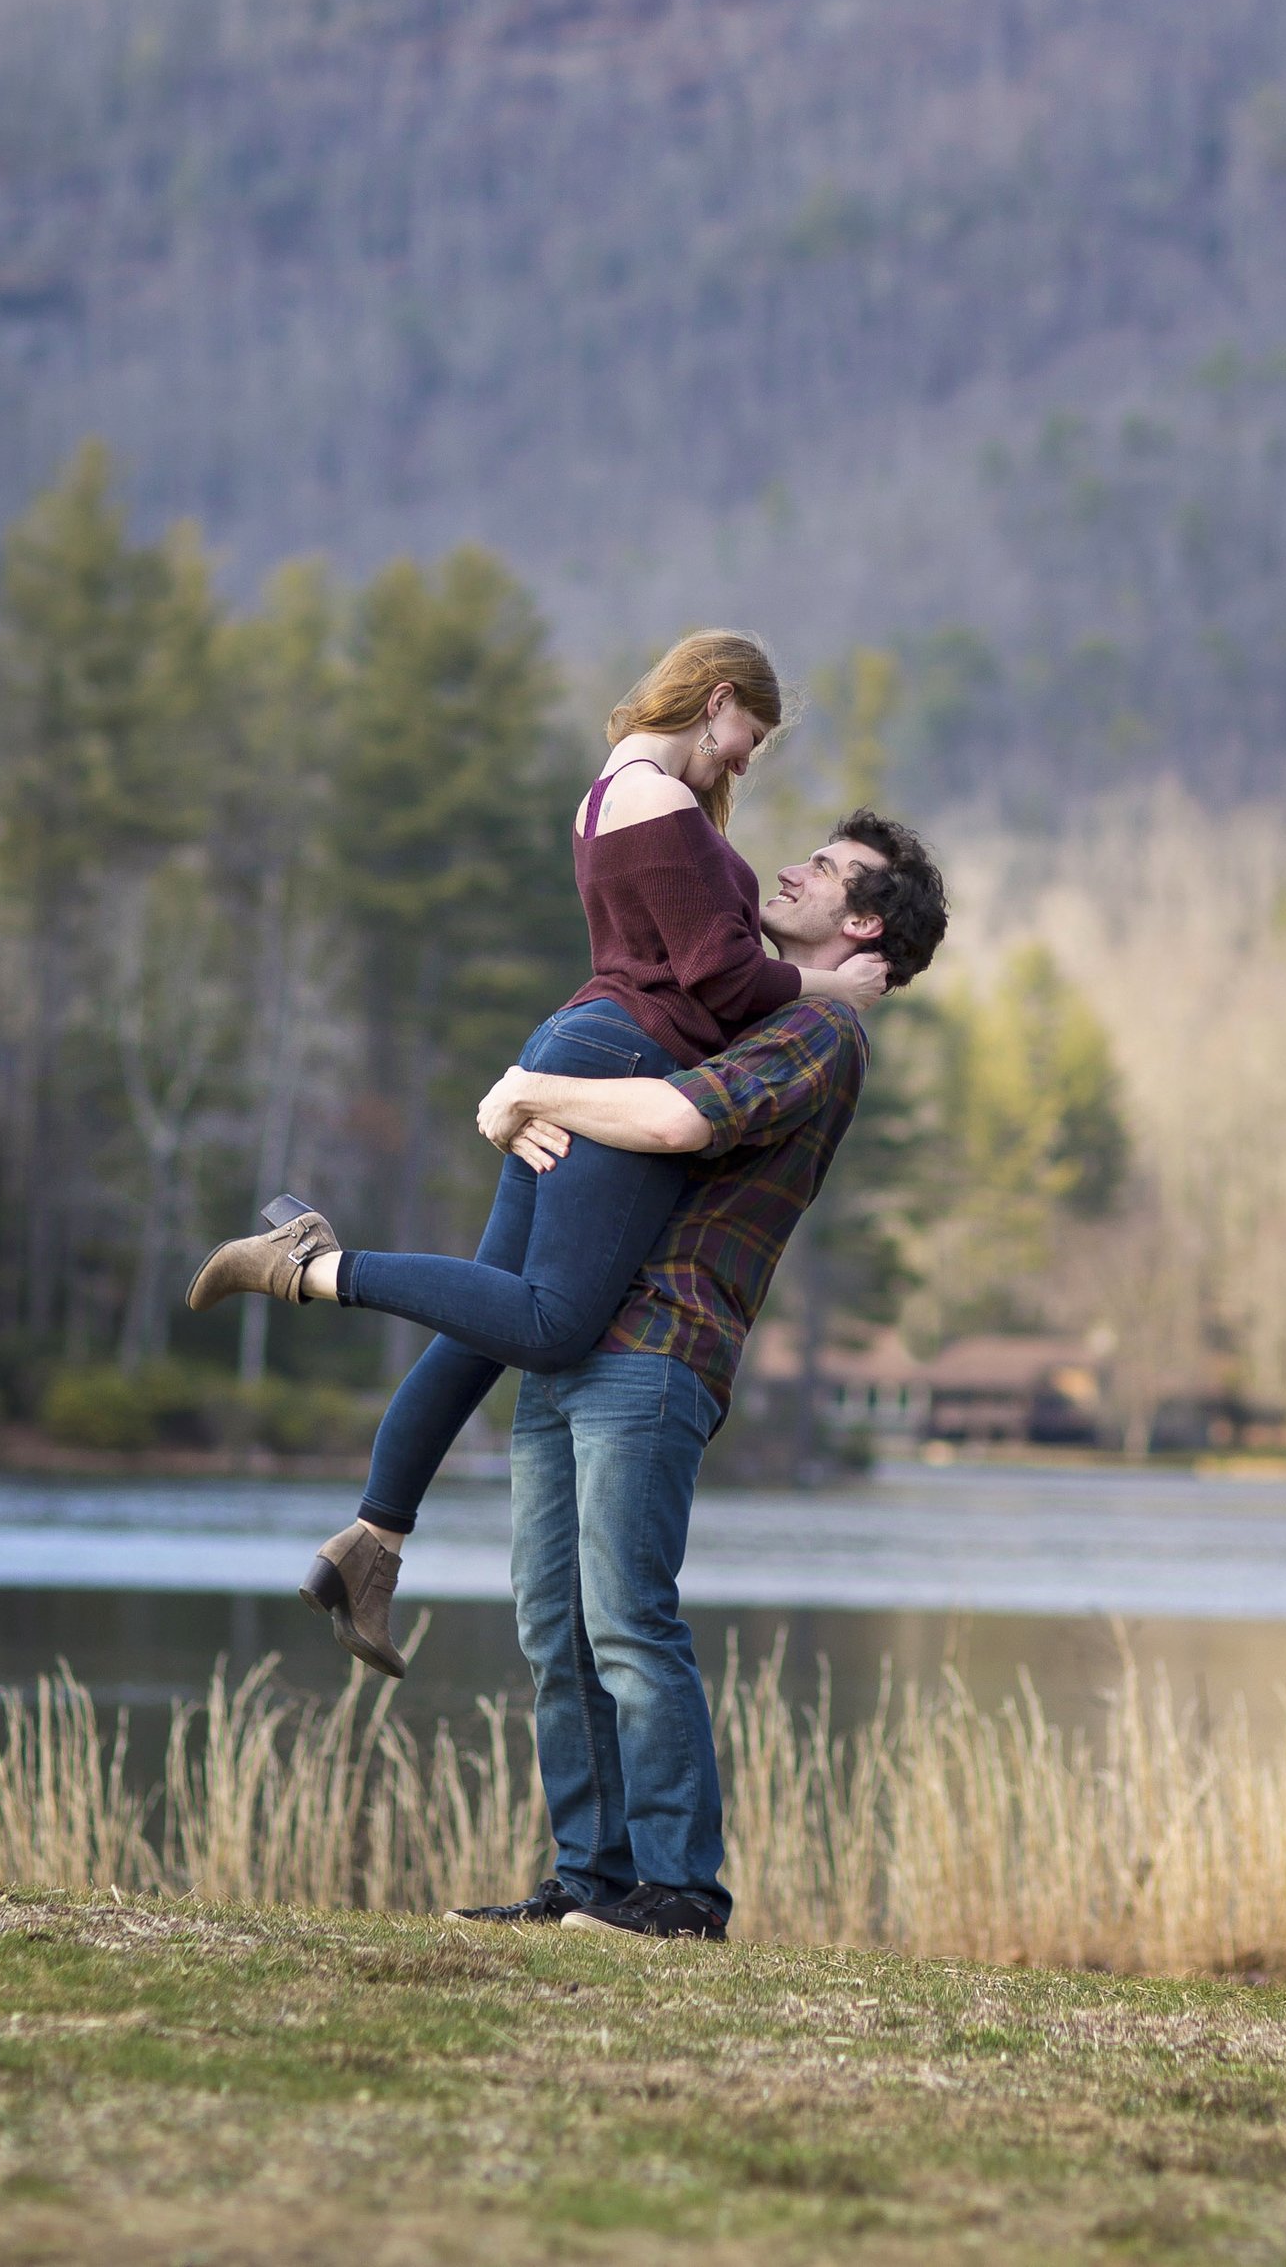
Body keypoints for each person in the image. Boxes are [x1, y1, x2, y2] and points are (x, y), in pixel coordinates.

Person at [186, 630, 886, 1674]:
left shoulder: (614, 792)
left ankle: (373, 1542)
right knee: (553, 1322)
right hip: (621, 1058)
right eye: (752, 733)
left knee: (485, 1319)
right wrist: (839, 985)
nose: (745, 757)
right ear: (717, 700)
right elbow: (724, 980)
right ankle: (311, 1265)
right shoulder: (662, 801)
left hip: (583, 1042)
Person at [451, 806, 949, 1941]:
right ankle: (590, 1877)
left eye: (822, 869)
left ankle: (680, 1893)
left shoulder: (822, 1037)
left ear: (862, 921)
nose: (790, 866)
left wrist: (529, 1088)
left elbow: (679, 1119)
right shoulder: (759, 1006)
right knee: (553, 1623)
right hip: (572, 1336)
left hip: (659, 1349)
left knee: (627, 1618)